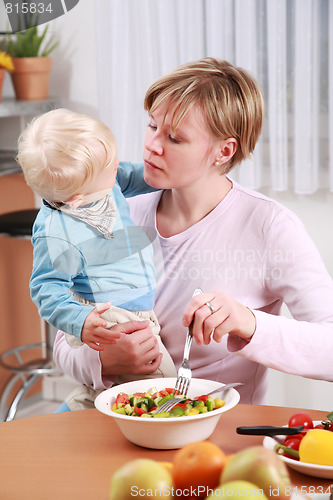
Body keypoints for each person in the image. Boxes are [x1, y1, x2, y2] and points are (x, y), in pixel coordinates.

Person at [53, 58, 333, 408]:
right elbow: (65, 341)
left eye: (175, 138)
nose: (153, 145)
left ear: (224, 151)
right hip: (120, 422)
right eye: (152, 126)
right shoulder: (120, 213)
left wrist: (249, 322)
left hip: (215, 438)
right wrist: (102, 362)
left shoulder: (269, 227)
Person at [17, 109, 176, 408]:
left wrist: (170, 173)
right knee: (164, 389)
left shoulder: (101, 184)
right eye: (111, 169)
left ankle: (84, 406)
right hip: (109, 315)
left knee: (125, 392)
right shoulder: (57, 232)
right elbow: (45, 288)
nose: (118, 167)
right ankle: (79, 409)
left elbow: (131, 175)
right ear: (77, 198)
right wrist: (81, 321)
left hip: (137, 309)